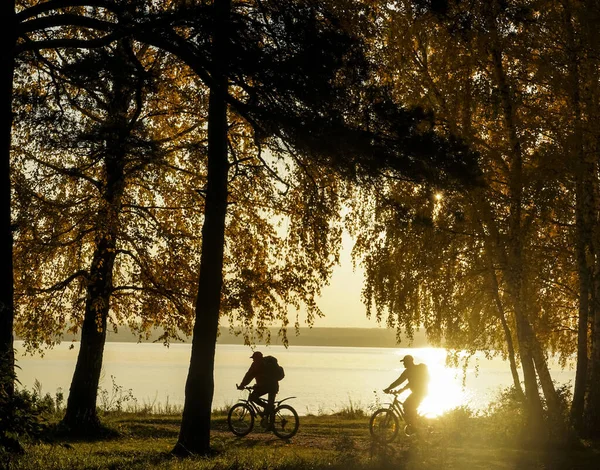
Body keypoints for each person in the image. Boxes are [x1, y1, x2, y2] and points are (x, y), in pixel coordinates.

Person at [383, 354, 429, 430]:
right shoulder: (408, 371)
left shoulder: (413, 370)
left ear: (409, 362)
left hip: (420, 392)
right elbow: (399, 381)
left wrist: (394, 389)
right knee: (408, 407)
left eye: (404, 362)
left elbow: (410, 383)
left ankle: (414, 427)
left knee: (407, 406)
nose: (403, 364)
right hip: (417, 393)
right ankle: (413, 425)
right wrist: (391, 388)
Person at [237, 351, 279, 427]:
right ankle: (270, 424)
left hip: (265, 386)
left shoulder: (256, 365)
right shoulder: (268, 364)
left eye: (254, 358)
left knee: (252, 397)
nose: (253, 360)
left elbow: (248, 375)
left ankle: (267, 408)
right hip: (274, 386)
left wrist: (242, 385)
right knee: (270, 405)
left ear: (257, 358)